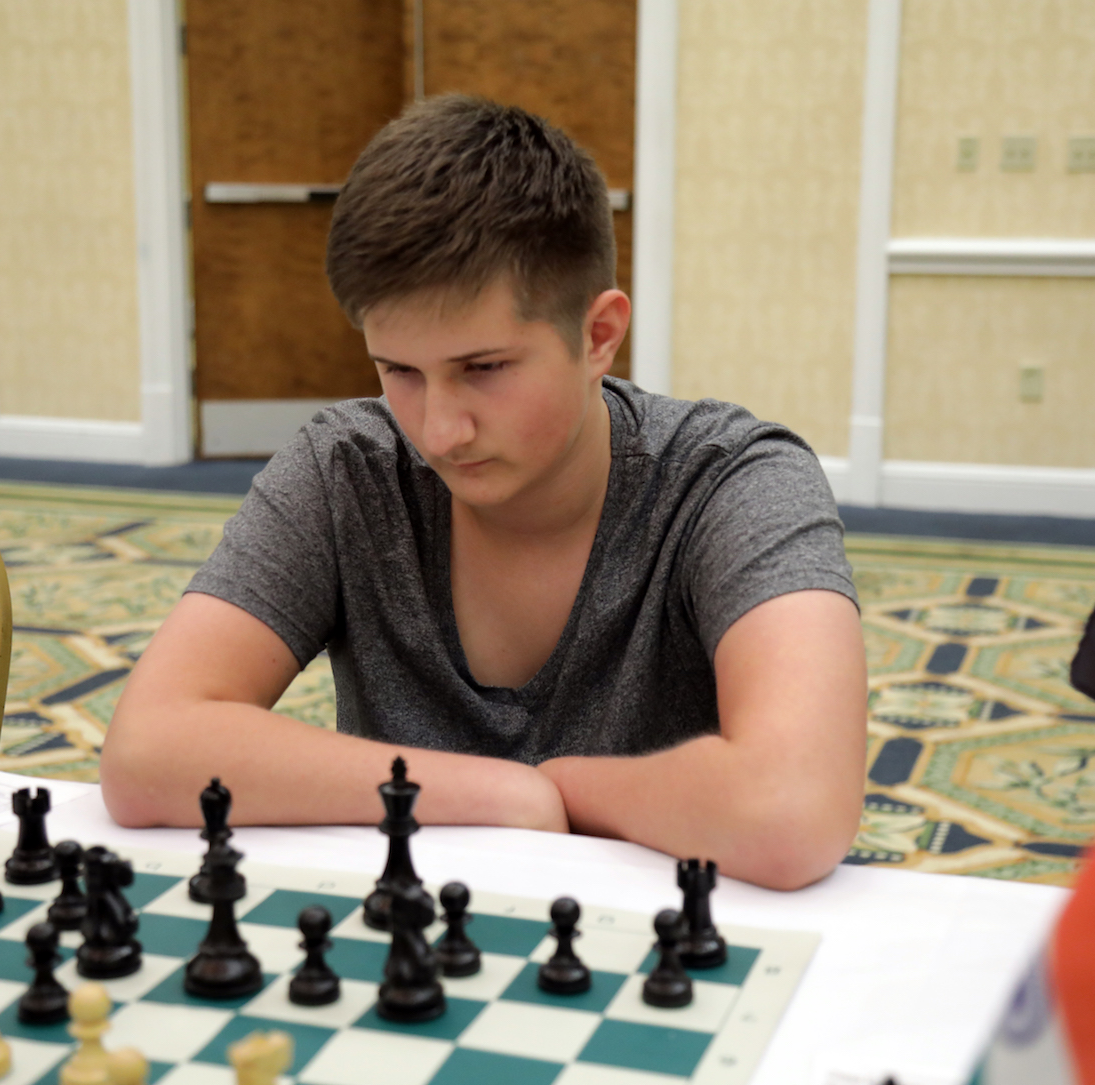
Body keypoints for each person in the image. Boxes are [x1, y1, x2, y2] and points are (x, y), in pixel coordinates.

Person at [101, 96, 866, 890]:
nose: (439, 431)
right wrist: (505, 794)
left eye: (484, 368)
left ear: (598, 335)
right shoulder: (346, 468)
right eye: (400, 370)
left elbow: (791, 810)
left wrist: (561, 789)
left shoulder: (734, 480)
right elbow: (146, 751)